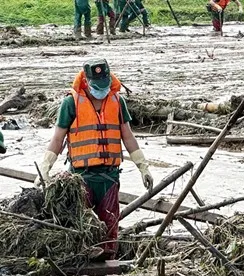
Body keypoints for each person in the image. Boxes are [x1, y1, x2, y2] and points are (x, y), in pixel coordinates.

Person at [35, 59, 154, 260]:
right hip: (81, 178)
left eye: (105, 86)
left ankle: (109, 263)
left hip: (109, 177)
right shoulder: (70, 103)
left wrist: (144, 167)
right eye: (98, 87)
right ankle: (82, 260)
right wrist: (45, 168)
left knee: (110, 224)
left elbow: (128, 137)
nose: (103, 91)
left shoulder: (117, 101)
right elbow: (57, 138)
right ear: (87, 82)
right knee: (81, 224)